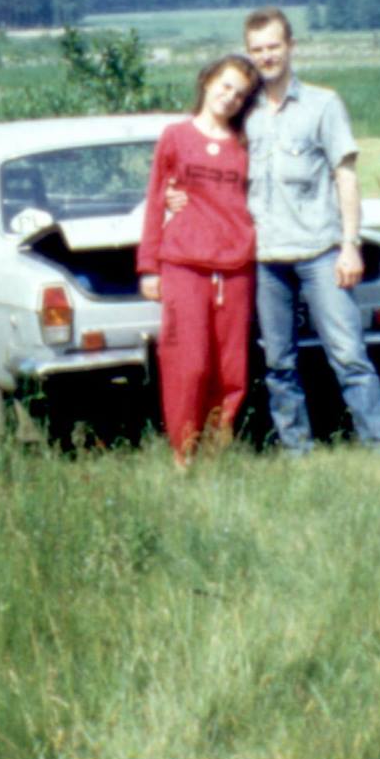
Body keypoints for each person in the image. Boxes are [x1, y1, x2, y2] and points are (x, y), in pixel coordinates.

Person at [239, 7, 380, 453]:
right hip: (265, 258)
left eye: (274, 46)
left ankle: (379, 448)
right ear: (248, 53)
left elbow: (346, 177)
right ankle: (296, 449)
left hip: (320, 252)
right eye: (257, 50)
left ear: (291, 47)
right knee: (278, 362)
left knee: (349, 355)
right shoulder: (243, 111)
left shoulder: (323, 105)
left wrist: (350, 246)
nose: (266, 56)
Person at [137, 54, 261, 467]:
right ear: (207, 81)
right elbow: (156, 201)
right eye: (225, 86)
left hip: (236, 266)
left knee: (231, 370)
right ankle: (183, 453)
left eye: (240, 94)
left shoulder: (247, 144)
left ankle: (216, 453)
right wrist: (149, 266)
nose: (230, 98)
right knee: (187, 364)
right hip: (184, 265)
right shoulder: (175, 137)